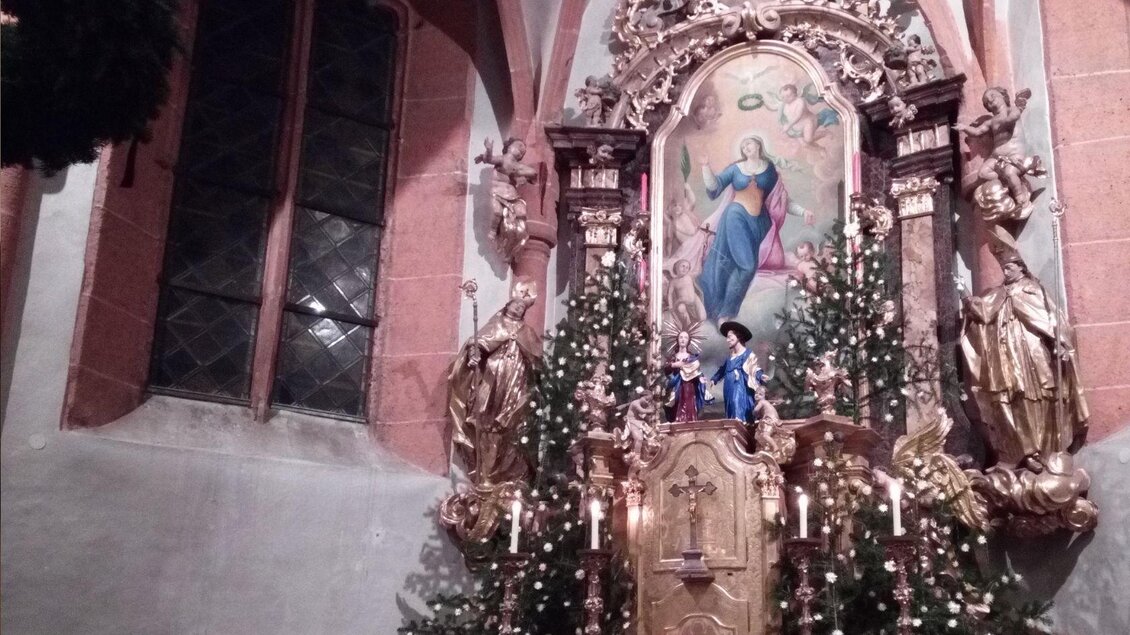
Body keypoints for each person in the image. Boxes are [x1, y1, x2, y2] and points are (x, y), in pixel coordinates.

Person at [959, 235, 1089, 473]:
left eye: (1009, 266)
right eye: (1003, 267)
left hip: (1032, 354)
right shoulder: (998, 293)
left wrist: (1059, 342)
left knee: (1036, 397)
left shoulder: (1033, 290)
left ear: (1021, 267)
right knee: (1011, 399)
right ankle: (1019, 451)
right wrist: (966, 295)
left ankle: (1044, 451)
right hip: (1006, 357)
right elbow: (983, 312)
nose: (1005, 271)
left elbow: (1051, 319)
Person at [668, 136, 814, 323]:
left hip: (760, 224)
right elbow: (714, 187)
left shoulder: (770, 171)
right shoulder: (736, 169)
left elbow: (782, 200)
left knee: (738, 265)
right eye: (743, 145)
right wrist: (705, 166)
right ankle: (725, 314)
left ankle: (724, 309)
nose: (746, 147)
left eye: (749, 144)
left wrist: (803, 212)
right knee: (747, 266)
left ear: (759, 146)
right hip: (735, 217)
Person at [447, 280, 542, 487]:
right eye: (515, 304)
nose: (518, 308)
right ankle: (485, 473)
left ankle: (510, 472)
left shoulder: (528, 333)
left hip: (518, 383)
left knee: (515, 423)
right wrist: (474, 355)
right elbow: (478, 344)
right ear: (507, 306)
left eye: (522, 307)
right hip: (493, 380)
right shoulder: (495, 325)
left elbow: (537, 361)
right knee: (488, 419)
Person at [474, 137, 537, 262]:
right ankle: (492, 232)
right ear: (508, 147)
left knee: (521, 213)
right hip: (497, 193)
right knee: (497, 212)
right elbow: (489, 159)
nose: (520, 151)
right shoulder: (503, 159)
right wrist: (488, 149)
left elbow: (532, 173)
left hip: (512, 196)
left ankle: (512, 247)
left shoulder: (517, 166)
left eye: (523, 152)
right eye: (518, 146)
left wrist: (521, 172)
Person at [708, 321, 764, 422]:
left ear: (738, 336)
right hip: (729, 386)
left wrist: (760, 376)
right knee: (730, 406)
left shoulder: (747, 354)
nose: (727, 340)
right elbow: (722, 369)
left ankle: (740, 426)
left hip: (740, 385)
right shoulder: (730, 357)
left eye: (730, 336)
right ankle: (732, 426)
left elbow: (754, 369)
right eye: (727, 337)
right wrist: (714, 379)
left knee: (737, 403)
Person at [666, 328, 710, 422]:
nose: (683, 339)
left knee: (689, 408)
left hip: (689, 387)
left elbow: (697, 373)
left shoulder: (692, 357)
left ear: (688, 341)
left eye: (685, 337)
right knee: (675, 407)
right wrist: (674, 365)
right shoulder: (673, 357)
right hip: (676, 386)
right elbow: (666, 370)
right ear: (677, 340)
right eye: (681, 337)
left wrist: (701, 379)